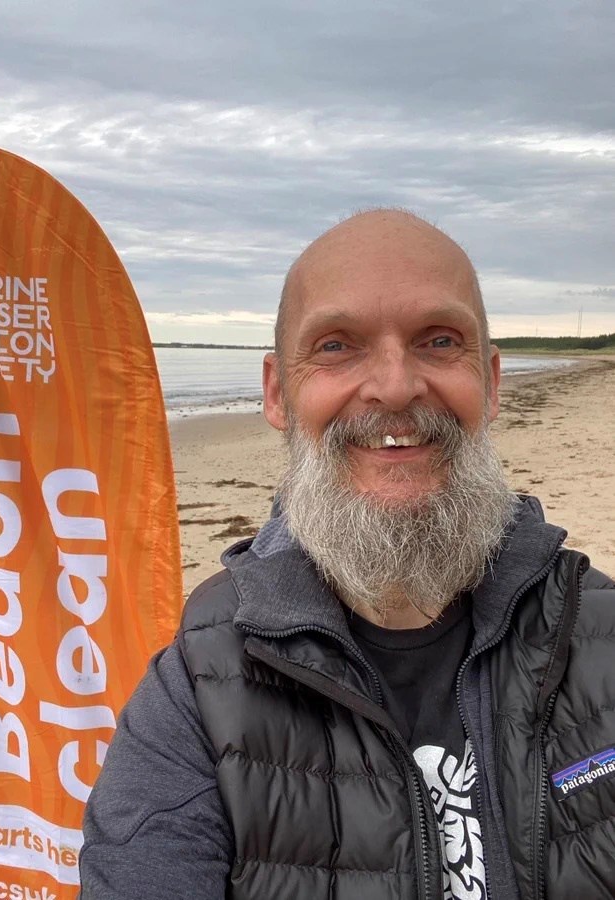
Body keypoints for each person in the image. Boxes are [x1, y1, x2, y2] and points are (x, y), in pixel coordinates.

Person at [78, 210, 615, 900]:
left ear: (490, 382)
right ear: (277, 393)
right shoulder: (197, 694)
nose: (394, 387)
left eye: (438, 340)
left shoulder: (599, 636)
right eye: (336, 346)